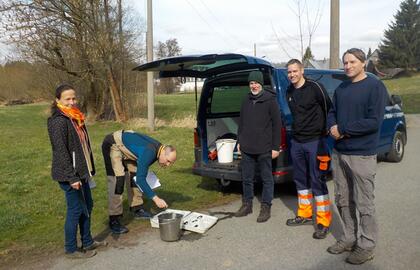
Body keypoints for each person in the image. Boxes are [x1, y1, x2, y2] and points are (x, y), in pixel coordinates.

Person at [327, 48, 387, 265]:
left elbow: (373, 121)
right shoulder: (341, 88)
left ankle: (367, 244)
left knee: (364, 203)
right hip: (340, 153)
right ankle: (349, 238)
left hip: (362, 155)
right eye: (345, 62)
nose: (348, 66)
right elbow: (332, 111)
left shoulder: (375, 87)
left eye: (352, 62)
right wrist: (332, 125)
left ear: (363, 63)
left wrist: (342, 129)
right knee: (343, 200)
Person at [47, 84, 106, 259]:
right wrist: (72, 177)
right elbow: (61, 151)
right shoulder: (58, 120)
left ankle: (87, 242)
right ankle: (71, 249)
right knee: (76, 209)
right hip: (69, 175)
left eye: (74, 98)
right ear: (58, 100)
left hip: (82, 172)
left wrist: (87, 171)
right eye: (67, 99)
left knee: (87, 206)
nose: (72, 102)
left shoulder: (75, 117)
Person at [285, 59, 333, 239]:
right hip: (297, 142)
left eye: (295, 71)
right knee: (300, 180)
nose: (292, 75)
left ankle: (323, 221)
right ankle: (304, 214)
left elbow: (329, 109)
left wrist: (326, 132)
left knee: (317, 180)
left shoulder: (315, 87)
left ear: (302, 70)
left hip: (316, 142)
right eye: (289, 72)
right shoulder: (289, 91)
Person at [102, 130, 176, 234]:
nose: (168, 165)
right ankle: (114, 219)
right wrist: (156, 199)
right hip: (113, 143)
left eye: (171, 163)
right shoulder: (150, 152)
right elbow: (141, 180)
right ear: (163, 152)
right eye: (168, 161)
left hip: (127, 147)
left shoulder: (158, 149)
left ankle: (137, 208)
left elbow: (140, 175)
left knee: (135, 174)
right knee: (117, 180)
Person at [235, 70, 282, 223]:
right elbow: (241, 123)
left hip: (264, 147)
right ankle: (247, 204)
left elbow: (277, 125)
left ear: (261, 84)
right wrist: (239, 142)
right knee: (246, 178)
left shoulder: (270, 100)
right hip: (247, 146)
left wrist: (275, 147)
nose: (253, 86)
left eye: (256, 83)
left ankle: (266, 206)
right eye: (251, 83)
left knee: (267, 179)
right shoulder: (245, 100)